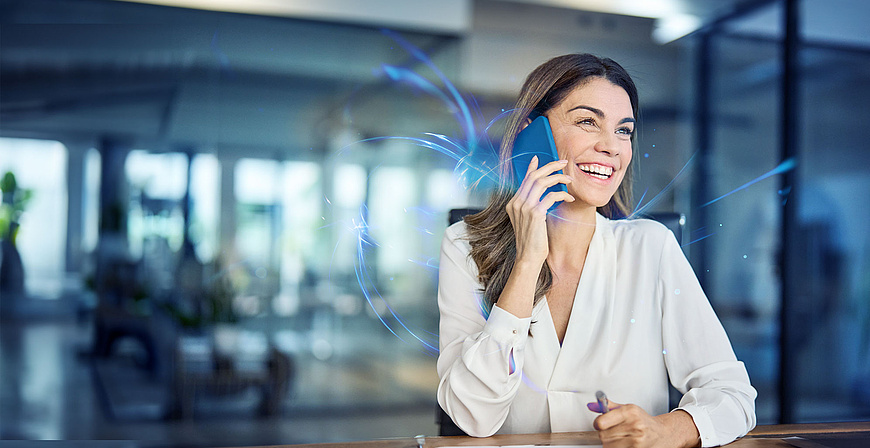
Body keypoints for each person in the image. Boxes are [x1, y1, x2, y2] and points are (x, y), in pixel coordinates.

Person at [436, 54, 756, 447]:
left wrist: (665, 431)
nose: (611, 147)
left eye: (624, 131)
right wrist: (527, 262)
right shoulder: (465, 245)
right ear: (531, 134)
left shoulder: (650, 247)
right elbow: (472, 415)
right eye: (588, 122)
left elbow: (733, 396)